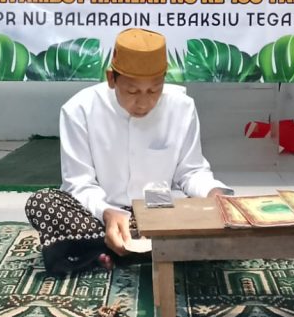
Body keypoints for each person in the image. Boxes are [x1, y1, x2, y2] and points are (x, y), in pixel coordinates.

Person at [25, 28, 231, 274]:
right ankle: (159, 251)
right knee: (43, 203)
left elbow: (191, 172)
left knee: (215, 216)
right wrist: (107, 213)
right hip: (103, 214)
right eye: (132, 91)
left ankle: (101, 252)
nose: (144, 103)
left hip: (162, 211)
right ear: (111, 78)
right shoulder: (79, 110)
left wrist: (214, 193)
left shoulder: (182, 107)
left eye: (154, 90)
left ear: (164, 78)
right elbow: (78, 184)